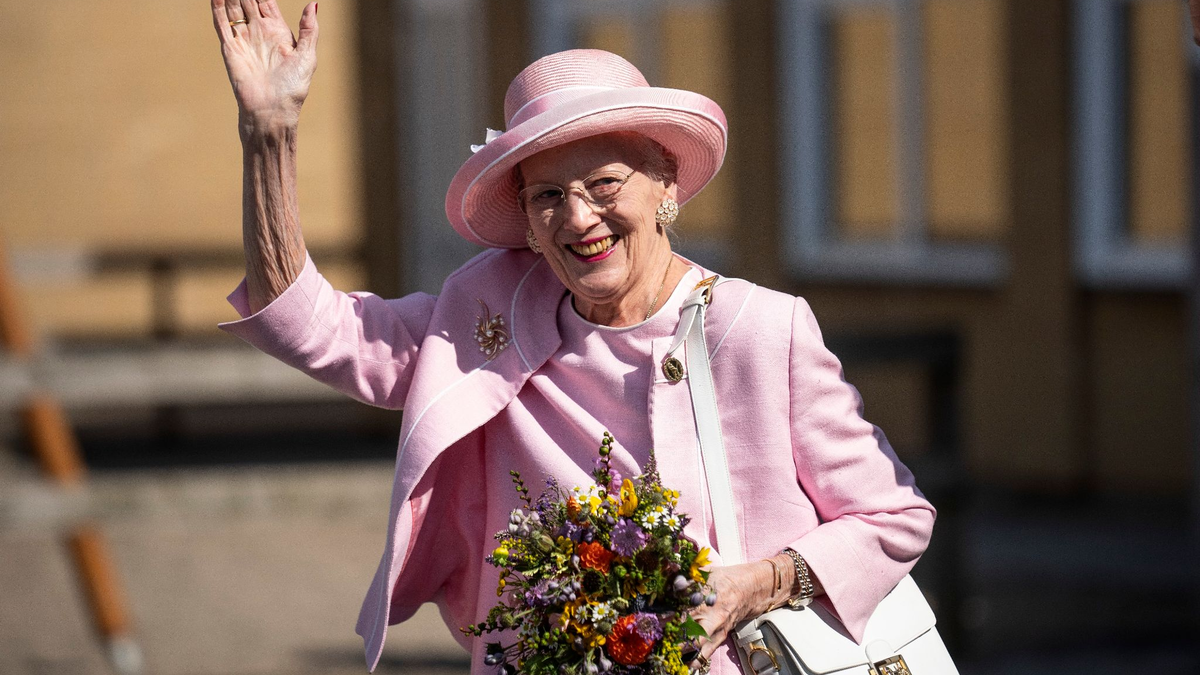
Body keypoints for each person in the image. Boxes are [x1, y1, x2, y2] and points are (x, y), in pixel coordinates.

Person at [208, 2, 935, 674]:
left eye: (606, 183)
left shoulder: (758, 329)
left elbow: (894, 516)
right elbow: (310, 327)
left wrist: (753, 584)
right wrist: (269, 136)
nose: (579, 218)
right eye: (549, 196)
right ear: (525, 220)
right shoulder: (482, 314)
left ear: (665, 185)